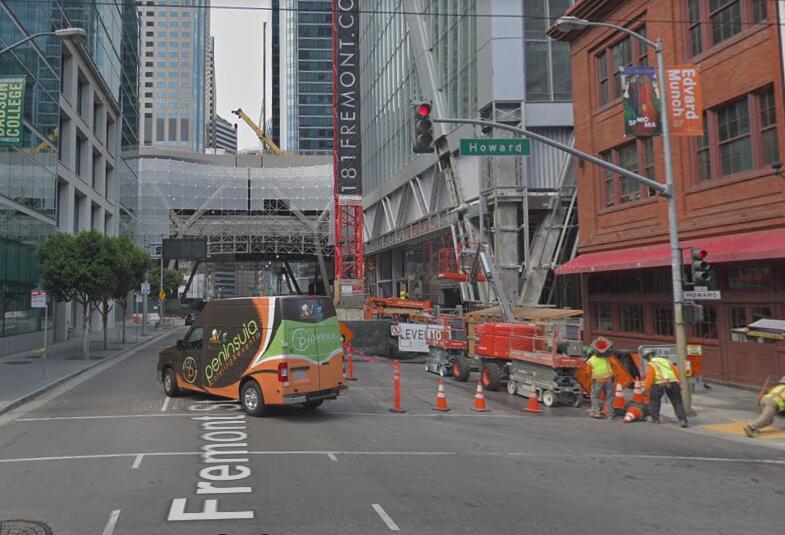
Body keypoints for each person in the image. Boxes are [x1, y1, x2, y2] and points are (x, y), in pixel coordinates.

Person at [642, 349, 688, 428]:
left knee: (654, 400)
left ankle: (655, 419)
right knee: (677, 402)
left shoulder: (651, 364)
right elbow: (676, 372)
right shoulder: (666, 361)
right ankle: (682, 420)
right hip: (673, 382)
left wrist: (646, 388)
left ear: (648, 357)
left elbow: (650, 377)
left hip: (659, 384)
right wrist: (679, 383)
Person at [586, 337, 615, 419]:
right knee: (609, 397)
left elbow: (588, 373)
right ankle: (610, 414)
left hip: (598, 381)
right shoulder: (607, 358)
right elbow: (614, 365)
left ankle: (596, 412)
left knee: (595, 396)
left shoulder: (590, 361)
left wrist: (591, 382)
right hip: (608, 379)